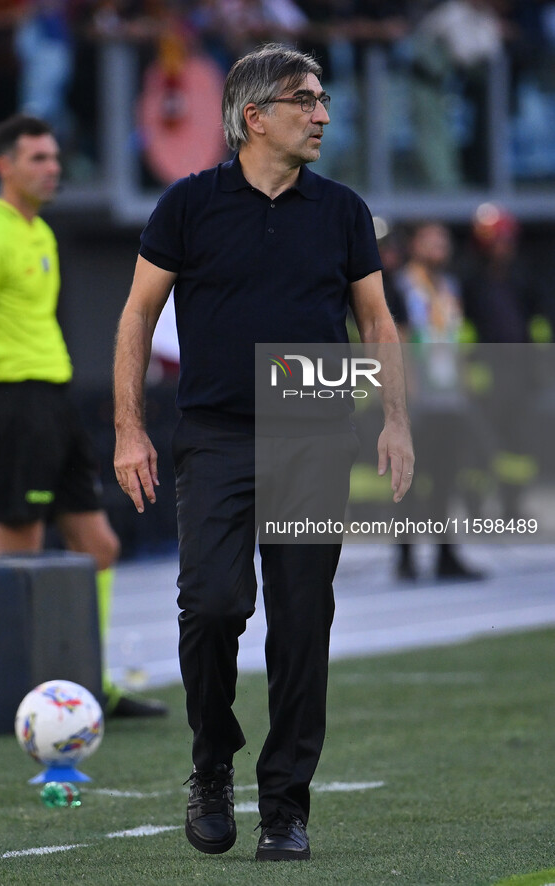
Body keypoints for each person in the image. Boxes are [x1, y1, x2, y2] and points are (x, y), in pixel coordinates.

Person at [114, 43, 413, 861]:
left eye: (322, 100)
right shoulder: (187, 205)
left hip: (313, 424)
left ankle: (285, 808)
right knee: (212, 605)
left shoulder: (343, 210)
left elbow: (377, 323)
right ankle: (211, 763)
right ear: (255, 116)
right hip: (212, 432)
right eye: (305, 100)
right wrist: (128, 428)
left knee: (301, 621)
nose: (322, 114)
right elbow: (138, 317)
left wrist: (393, 420)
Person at [0, 113, 167, 719]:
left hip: (53, 400)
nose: (53, 169)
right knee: (16, 547)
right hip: (12, 400)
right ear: (5, 166)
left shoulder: (42, 234)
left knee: (98, 544)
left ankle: (88, 683)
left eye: (55, 158)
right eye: (38, 159)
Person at [393, 220, 485, 580]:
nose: (439, 249)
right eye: (431, 241)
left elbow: (455, 336)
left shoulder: (450, 287)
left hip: (449, 397)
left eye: (443, 242)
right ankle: (406, 557)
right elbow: (397, 337)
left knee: (447, 477)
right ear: (415, 244)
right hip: (419, 398)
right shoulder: (402, 285)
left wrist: (464, 386)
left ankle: (446, 554)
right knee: (410, 480)